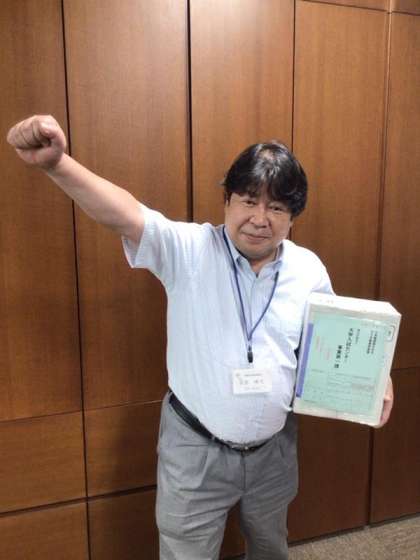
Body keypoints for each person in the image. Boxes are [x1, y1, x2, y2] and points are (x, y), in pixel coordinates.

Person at [7, 115, 394, 560]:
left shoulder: (308, 269)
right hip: (196, 448)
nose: (260, 219)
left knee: (271, 547)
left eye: (277, 208)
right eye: (249, 201)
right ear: (227, 201)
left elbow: (333, 339)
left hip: (274, 449)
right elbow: (126, 215)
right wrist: (57, 164)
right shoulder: (189, 250)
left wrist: (376, 378)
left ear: (293, 217)